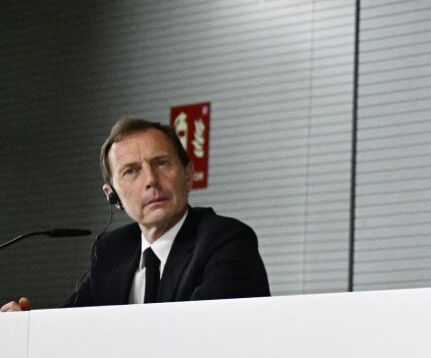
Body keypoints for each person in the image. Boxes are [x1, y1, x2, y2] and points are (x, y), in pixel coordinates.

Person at [1, 118, 269, 310]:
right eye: (131, 171)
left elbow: (207, 335)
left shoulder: (226, 241)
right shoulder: (112, 250)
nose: (151, 180)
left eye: (162, 163)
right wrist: (28, 325)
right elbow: (71, 323)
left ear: (189, 176)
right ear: (112, 195)